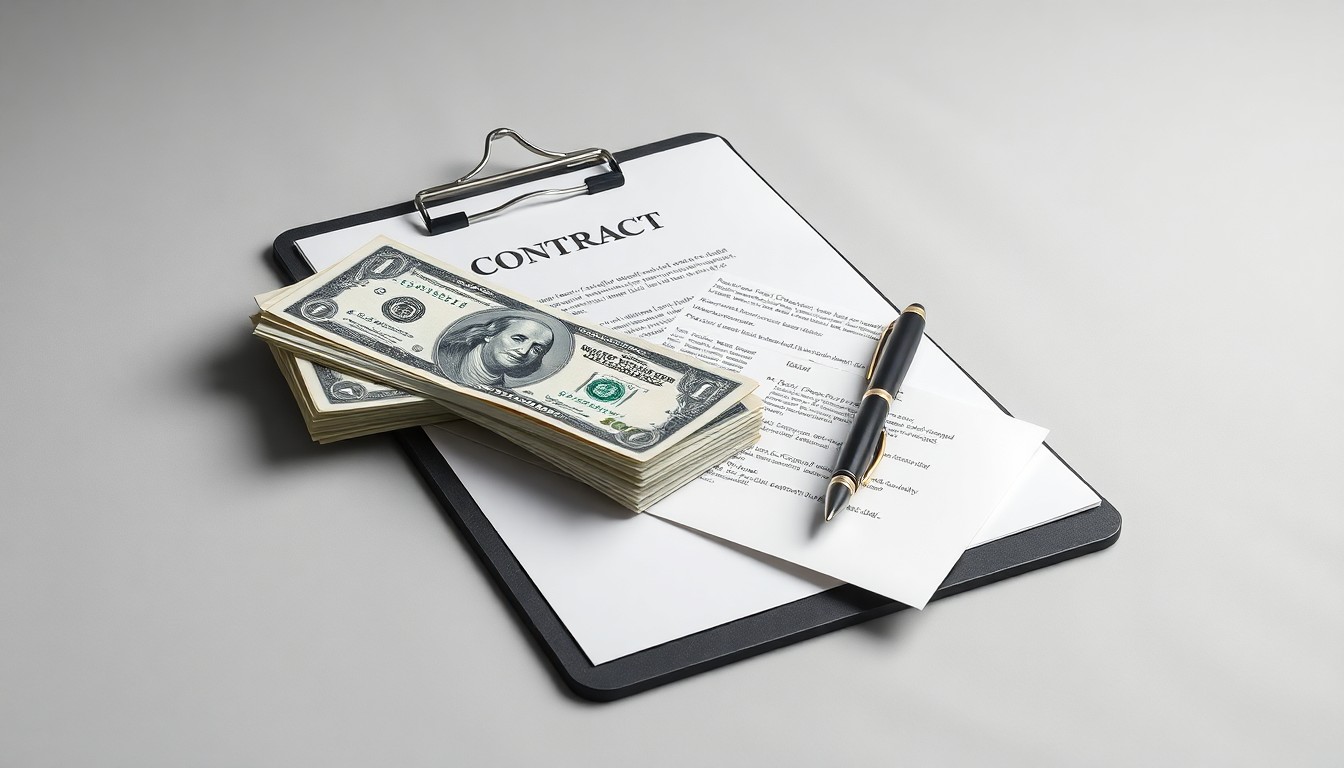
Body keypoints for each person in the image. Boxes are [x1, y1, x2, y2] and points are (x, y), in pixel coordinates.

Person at [438, 314, 556, 388]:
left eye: (536, 349)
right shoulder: (442, 356)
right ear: (490, 335)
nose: (524, 351)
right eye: (517, 339)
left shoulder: (503, 391)